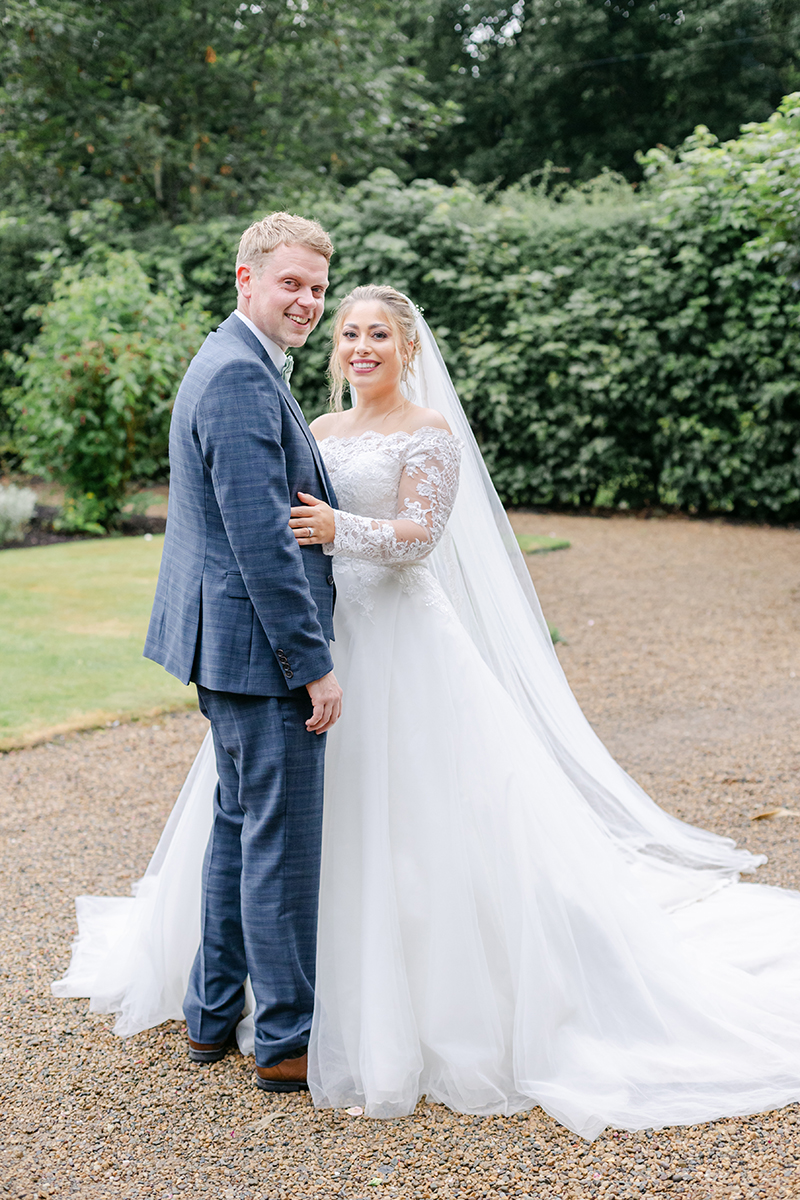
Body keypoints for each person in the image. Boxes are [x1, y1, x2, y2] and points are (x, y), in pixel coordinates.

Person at [55, 285, 800, 1140]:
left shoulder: (430, 434)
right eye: (350, 334)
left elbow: (419, 540)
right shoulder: (319, 429)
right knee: (274, 821)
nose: (361, 346)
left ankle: (386, 1000)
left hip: (400, 643)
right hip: (318, 641)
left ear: (408, 348)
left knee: (404, 819)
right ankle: (258, 996)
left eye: (378, 334)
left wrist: (340, 527)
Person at [142, 212, 342, 1092]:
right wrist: (314, 663)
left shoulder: (238, 360)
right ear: (246, 278)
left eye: (317, 287)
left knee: (238, 831)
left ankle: (211, 1013)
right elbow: (265, 544)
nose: (306, 300)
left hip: (227, 647)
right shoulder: (237, 378)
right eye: (291, 282)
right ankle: (286, 1040)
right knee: (282, 845)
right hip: (260, 656)